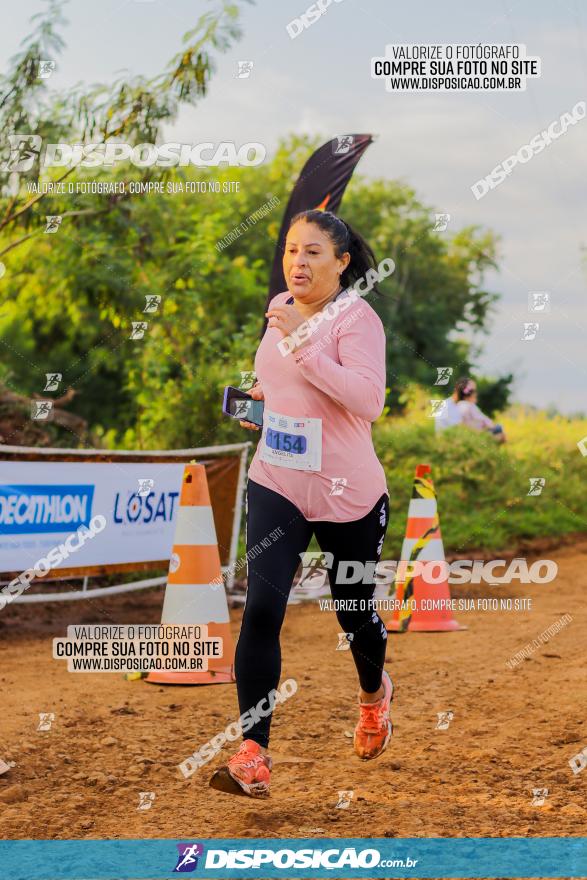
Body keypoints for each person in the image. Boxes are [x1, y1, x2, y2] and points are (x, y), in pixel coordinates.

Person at [209, 209, 393, 799]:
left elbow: (367, 401)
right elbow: (286, 383)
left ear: (342, 263)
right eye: (292, 250)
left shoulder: (356, 319)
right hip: (279, 480)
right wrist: (258, 398)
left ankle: (373, 696)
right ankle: (253, 753)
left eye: (313, 252)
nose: (298, 262)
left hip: (347, 494)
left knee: (354, 612)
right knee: (262, 609)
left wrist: (298, 339)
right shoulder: (279, 314)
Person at [454, 377, 506, 443]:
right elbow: (482, 421)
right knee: (500, 429)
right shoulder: (466, 405)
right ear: (469, 393)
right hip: (481, 433)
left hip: (482, 431)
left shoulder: (467, 405)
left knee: (500, 429)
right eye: (474, 391)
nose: (476, 393)